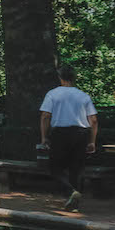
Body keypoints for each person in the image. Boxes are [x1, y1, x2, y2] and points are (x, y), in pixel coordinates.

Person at [39, 65, 99, 210]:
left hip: (60, 133)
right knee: (76, 169)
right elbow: (94, 120)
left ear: (60, 77)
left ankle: (71, 192)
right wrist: (92, 141)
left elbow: (45, 116)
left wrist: (44, 137)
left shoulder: (52, 94)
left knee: (55, 168)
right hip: (81, 134)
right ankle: (74, 204)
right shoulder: (83, 96)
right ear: (74, 78)